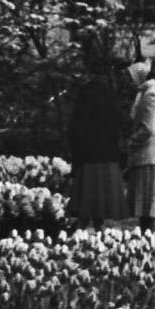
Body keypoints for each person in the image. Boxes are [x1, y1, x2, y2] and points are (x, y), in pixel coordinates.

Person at [66, 75, 128, 229]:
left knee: (87, 197)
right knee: (101, 199)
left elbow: (75, 132)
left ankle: (82, 227)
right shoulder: (112, 105)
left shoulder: (83, 105)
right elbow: (122, 128)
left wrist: (75, 157)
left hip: (88, 158)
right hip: (109, 158)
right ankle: (98, 227)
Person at [125, 58, 155, 231]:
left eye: (132, 77)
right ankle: (147, 238)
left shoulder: (151, 95)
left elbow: (148, 129)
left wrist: (131, 142)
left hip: (150, 156)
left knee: (148, 207)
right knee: (147, 208)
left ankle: (147, 240)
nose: (131, 81)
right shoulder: (154, 92)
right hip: (153, 156)